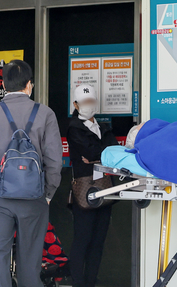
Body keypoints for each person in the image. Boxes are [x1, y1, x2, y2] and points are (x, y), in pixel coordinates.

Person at [0, 60, 62, 287]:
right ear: (29, 85)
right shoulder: (46, 114)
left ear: (3, 85)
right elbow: (54, 160)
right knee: (31, 263)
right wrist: (48, 193)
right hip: (34, 197)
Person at [67, 85, 118, 287]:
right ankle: (78, 282)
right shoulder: (74, 128)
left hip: (105, 188)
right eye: (84, 102)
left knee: (98, 241)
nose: (89, 106)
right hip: (84, 190)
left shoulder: (103, 127)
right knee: (83, 239)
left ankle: (90, 282)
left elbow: (113, 152)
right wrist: (102, 156)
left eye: (91, 102)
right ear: (76, 105)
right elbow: (89, 152)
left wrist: (99, 157)